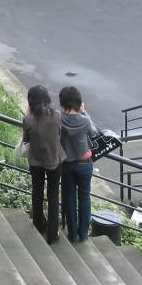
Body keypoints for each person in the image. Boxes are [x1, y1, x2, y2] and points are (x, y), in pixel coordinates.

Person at [23, 85, 66, 244]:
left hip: (36, 162)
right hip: (55, 160)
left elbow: (26, 140)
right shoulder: (57, 116)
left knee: (37, 193)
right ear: (47, 98)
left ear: (31, 101)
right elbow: (59, 135)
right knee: (53, 195)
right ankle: (52, 233)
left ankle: (39, 224)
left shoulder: (28, 120)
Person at [59, 86, 98, 242]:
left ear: (62, 102)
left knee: (68, 198)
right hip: (84, 164)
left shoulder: (58, 118)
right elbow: (94, 133)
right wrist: (84, 112)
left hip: (66, 164)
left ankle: (72, 234)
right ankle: (83, 234)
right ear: (79, 102)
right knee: (84, 197)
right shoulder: (84, 119)